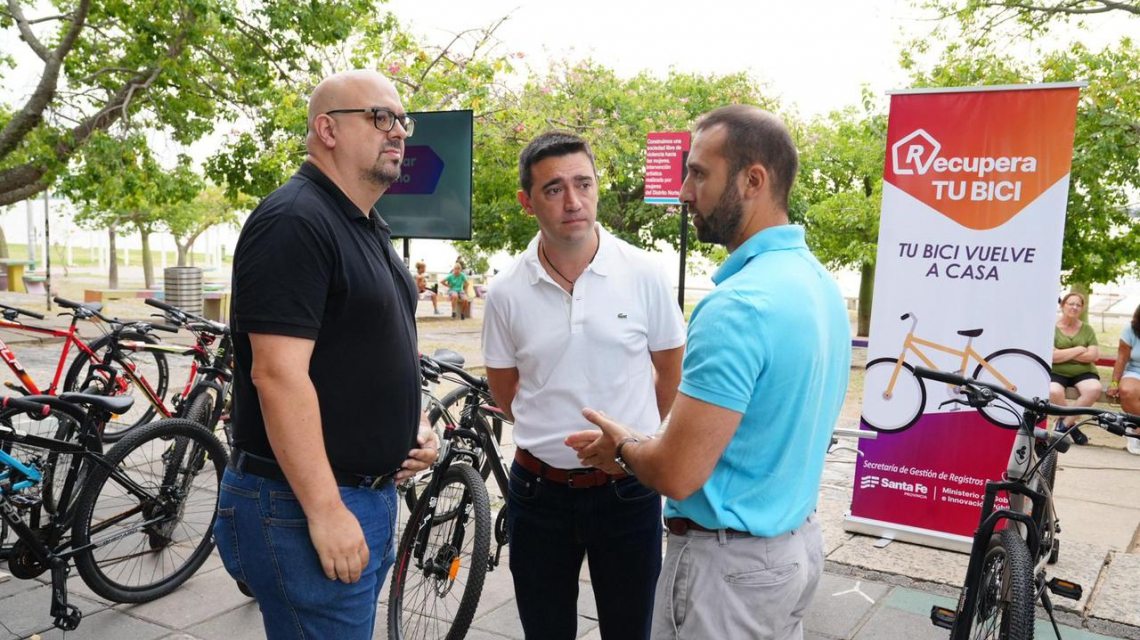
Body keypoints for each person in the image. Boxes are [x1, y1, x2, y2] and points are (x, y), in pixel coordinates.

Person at [566, 106, 850, 640]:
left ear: (753, 180)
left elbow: (677, 474)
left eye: (699, 173)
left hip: (729, 574)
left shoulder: (736, 306)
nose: (684, 192)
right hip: (794, 550)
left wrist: (623, 446)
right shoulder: (818, 284)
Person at [217, 69, 439, 640]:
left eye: (403, 120)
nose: (398, 132)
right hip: (302, 505)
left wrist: (411, 425)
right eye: (380, 117)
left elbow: (368, 344)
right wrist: (325, 510)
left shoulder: (362, 223)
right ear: (328, 130)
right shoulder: (295, 220)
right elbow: (277, 375)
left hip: (364, 496)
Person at [481, 130, 686, 640]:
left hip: (628, 489)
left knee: (631, 629)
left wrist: (631, 440)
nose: (573, 201)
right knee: (544, 630)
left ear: (597, 187)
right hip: (538, 492)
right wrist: (550, 430)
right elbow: (504, 389)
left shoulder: (644, 273)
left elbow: (670, 370)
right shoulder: (506, 291)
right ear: (527, 202)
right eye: (554, 189)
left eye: (583, 183)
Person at [1049, 292, 1100, 445]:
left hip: (1083, 371)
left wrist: (1063, 353)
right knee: (1053, 391)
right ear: (1062, 306)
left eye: (1078, 305)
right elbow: (1052, 357)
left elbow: (1093, 356)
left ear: (1082, 309)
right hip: (1057, 371)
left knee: (1094, 389)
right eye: (1071, 303)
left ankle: (1063, 426)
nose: (1074, 307)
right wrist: (1079, 349)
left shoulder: (1087, 329)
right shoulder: (1051, 328)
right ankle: (1072, 428)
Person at [1106, 303, 1140, 455]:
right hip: (1135, 371)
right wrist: (1114, 383)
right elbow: (1121, 359)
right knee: (1127, 391)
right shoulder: (1131, 330)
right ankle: (1135, 431)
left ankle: (1136, 428)